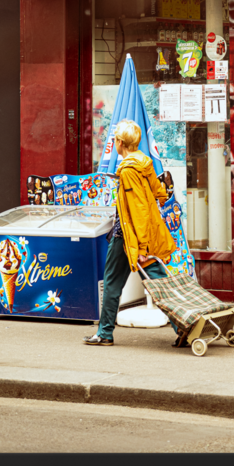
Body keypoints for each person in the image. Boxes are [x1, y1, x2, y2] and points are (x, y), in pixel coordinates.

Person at [84, 120, 177, 346]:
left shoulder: (128, 170)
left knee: (113, 283)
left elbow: (138, 211)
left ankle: (105, 333)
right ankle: (184, 326)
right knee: (160, 283)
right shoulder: (144, 163)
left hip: (128, 236)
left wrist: (142, 248)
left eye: (115, 138)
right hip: (140, 235)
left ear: (120, 142)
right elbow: (160, 193)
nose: (113, 142)